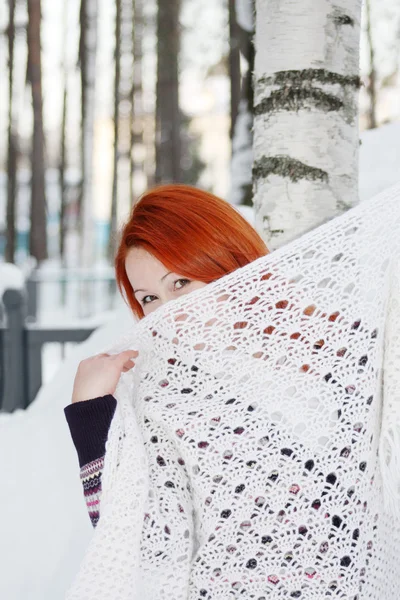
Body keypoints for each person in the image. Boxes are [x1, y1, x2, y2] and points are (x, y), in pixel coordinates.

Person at [64, 184, 268, 527]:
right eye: (148, 299)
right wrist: (89, 409)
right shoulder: (167, 400)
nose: (167, 313)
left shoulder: (326, 364)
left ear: (230, 263)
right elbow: (130, 544)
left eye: (180, 282)